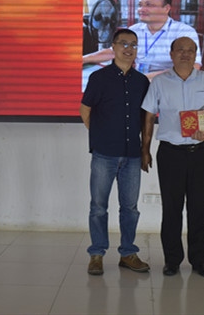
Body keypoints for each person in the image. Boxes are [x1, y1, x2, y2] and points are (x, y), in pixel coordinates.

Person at [141, 36, 204, 278]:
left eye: (191, 50)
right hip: (170, 153)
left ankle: (200, 260)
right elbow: (149, 116)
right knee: (172, 209)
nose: (185, 54)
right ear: (171, 54)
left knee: (199, 208)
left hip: (200, 153)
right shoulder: (159, 82)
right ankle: (172, 260)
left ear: (196, 53)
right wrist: (145, 150)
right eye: (180, 50)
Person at [80, 28, 151, 276]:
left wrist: (145, 149)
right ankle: (97, 254)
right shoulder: (99, 78)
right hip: (104, 154)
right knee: (98, 207)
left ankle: (128, 253)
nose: (129, 49)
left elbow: (146, 117)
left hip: (132, 155)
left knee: (130, 208)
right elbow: (85, 110)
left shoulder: (142, 81)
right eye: (124, 43)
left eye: (133, 44)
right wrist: (101, 135)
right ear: (113, 46)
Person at [83, 0, 202, 80]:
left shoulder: (183, 32)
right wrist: (83, 59)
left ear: (166, 8)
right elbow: (113, 52)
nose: (141, 9)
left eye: (148, 5)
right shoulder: (135, 29)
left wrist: (145, 78)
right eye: (140, 5)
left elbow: (192, 67)